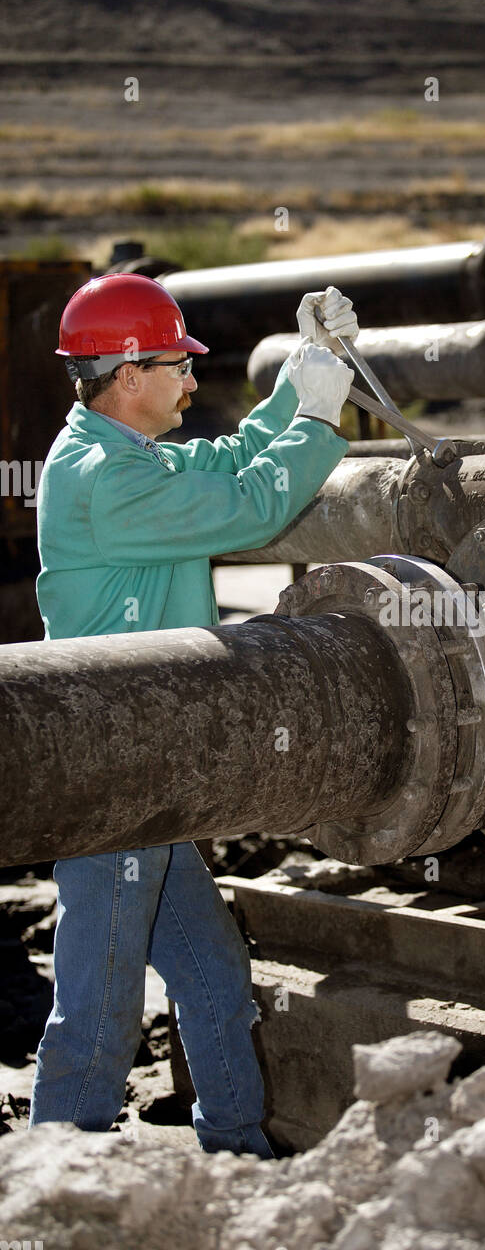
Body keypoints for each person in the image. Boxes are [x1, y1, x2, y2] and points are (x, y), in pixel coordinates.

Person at [29, 272, 358, 1158]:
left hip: (154, 770)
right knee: (99, 1007)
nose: (190, 382)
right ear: (127, 374)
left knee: (213, 973)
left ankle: (238, 1154)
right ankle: (56, 1186)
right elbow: (252, 500)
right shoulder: (108, 481)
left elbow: (233, 458)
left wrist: (306, 370)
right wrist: (322, 422)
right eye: (178, 366)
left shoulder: (129, 454)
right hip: (115, 776)